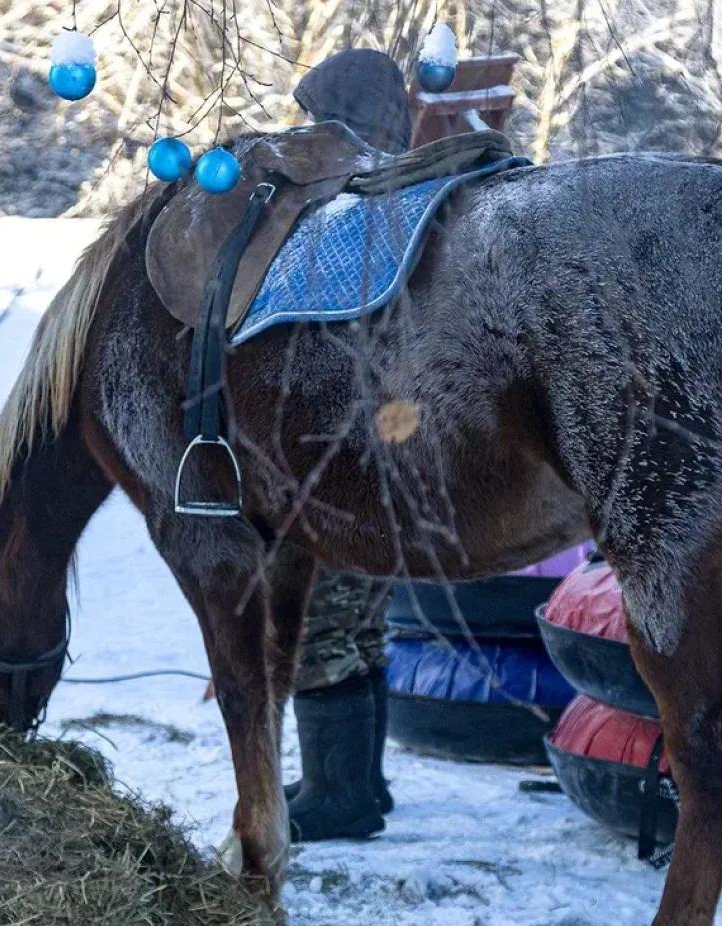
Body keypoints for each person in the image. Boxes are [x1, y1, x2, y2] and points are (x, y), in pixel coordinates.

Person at [280, 49, 414, 841]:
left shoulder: (345, 212)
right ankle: (357, 780)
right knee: (362, 624)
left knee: (319, 624)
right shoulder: (407, 199)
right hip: (391, 458)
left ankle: (340, 800)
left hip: (342, 455)